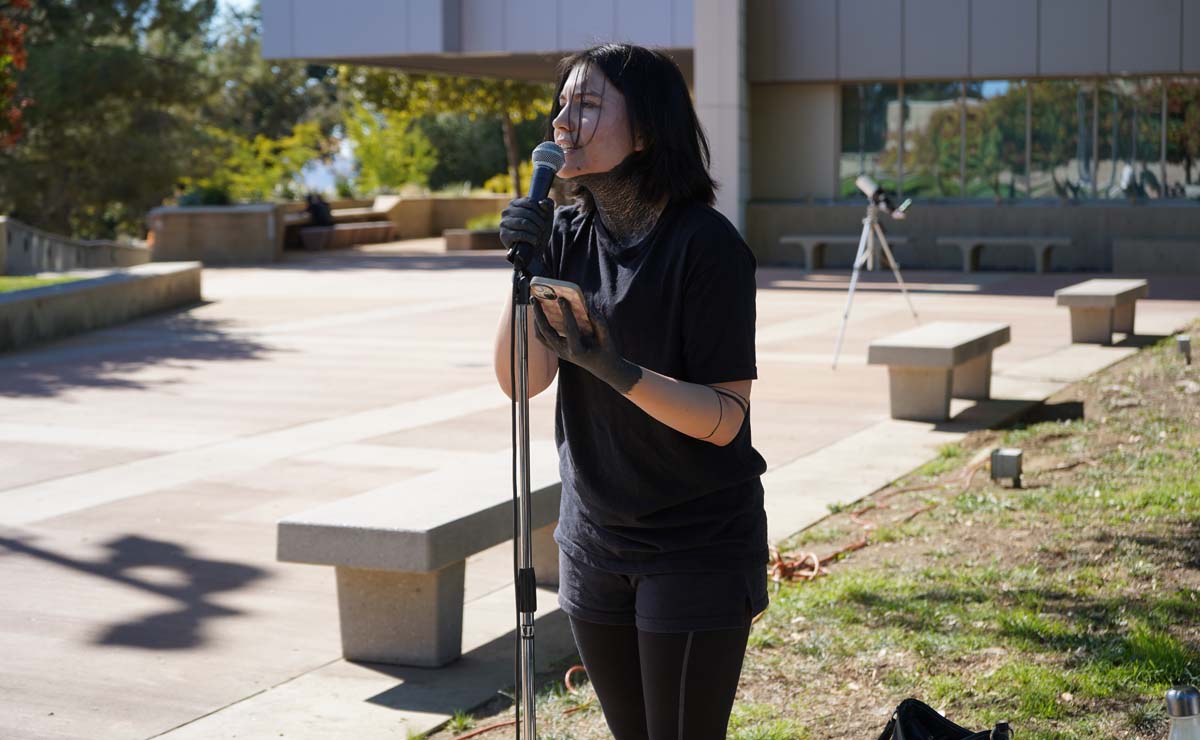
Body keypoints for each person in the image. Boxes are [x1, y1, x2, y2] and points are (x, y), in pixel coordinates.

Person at [492, 43, 768, 740]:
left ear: (645, 129)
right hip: (593, 539)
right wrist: (522, 271)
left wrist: (616, 370)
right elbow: (522, 381)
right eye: (561, 104)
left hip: (695, 544)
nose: (563, 122)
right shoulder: (564, 234)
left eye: (587, 105)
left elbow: (725, 420)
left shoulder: (706, 246)